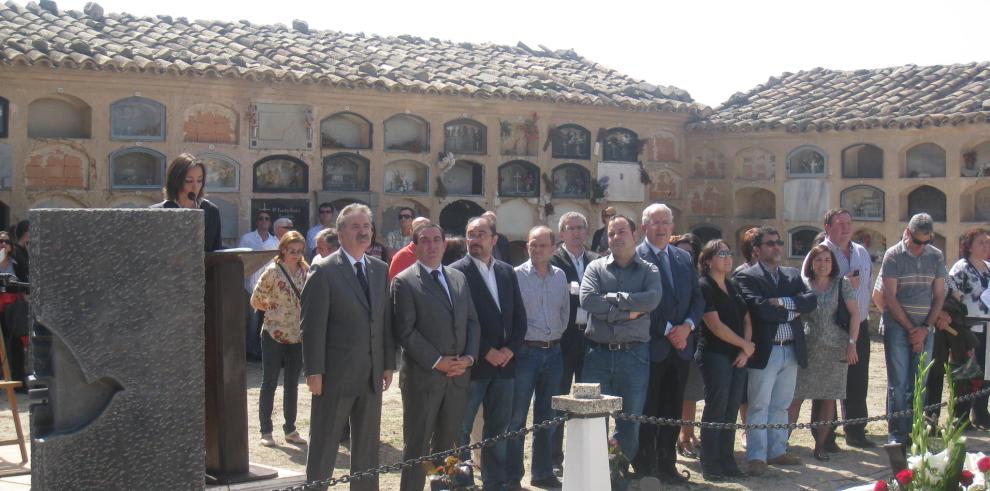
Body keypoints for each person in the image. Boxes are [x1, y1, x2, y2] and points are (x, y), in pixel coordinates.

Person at [300, 204, 395, 490]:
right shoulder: (324, 270)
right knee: (325, 444)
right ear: (339, 233)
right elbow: (312, 325)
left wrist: (388, 363)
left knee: (366, 447)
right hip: (335, 376)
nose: (363, 231)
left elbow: (384, 321)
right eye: (355, 226)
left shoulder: (380, 270)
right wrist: (314, 370)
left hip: (371, 375)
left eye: (367, 226)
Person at [393, 223, 480, 491]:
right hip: (424, 378)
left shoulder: (458, 278)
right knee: (417, 448)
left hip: (456, 378)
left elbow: (472, 322)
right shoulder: (405, 281)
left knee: (448, 444)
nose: (431, 246)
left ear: (444, 244)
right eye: (425, 240)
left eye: (436, 240)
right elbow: (405, 331)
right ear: (416, 246)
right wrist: (437, 361)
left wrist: (468, 358)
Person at [451, 216, 527, 490]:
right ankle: (461, 481)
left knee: (498, 429)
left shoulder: (508, 272)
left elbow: (520, 318)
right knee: (461, 428)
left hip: (505, 367)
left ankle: (494, 482)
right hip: (474, 365)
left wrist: (509, 350)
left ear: (494, 240)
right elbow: (458, 322)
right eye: (470, 234)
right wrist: (485, 351)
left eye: (481, 234)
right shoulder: (456, 272)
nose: (474, 240)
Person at [735, 226, 817, 476]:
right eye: (770, 243)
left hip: (790, 349)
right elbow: (760, 310)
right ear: (757, 250)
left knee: (781, 404)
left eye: (779, 242)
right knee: (759, 405)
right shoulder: (746, 277)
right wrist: (792, 309)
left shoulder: (792, 275)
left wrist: (781, 302)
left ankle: (777, 451)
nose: (776, 247)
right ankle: (757, 456)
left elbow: (810, 301)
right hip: (765, 351)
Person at [580, 215, 661, 465]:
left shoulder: (650, 270)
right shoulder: (595, 268)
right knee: (592, 419)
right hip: (597, 355)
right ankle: (594, 474)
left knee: (630, 421)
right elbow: (588, 300)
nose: (616, 237)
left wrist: (613, 298)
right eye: (611, 233)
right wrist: (627, 313)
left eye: (621, 231)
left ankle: (619, 471)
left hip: (633, 355)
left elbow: (651, 300)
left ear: (635, 234)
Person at [632, 204, 704, 484]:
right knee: (649, 409)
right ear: (644, 227)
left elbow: (697, 298)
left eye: (665, 222)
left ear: (672, 227)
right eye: (655, 222)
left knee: (673, 408)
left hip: (681, 346)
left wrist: (686, 327)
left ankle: (667, 464)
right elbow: (638, 301)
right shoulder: (636, 258)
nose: (661, 227)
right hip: (652, 346)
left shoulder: (683, 259)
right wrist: (667, 329)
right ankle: (646, 466)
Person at [805, 209, 876, 449]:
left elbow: (867, 286)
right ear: (827, 228)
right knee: (825, 383)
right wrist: (845, 281)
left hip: (859, 324)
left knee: (857, 380)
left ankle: (855, 430)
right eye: (839, 224)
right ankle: (825, 436)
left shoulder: (861, 252)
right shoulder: (819, 254)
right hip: (830, 328)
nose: (846, 228)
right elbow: (812, 287)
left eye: (849, 223)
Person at [507, 226, 569, 489]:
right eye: (533, 244)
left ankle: (543, 473)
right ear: (527, 247)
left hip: (553, 352)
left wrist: (554, 336)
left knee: (548, 417)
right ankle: (512, 476)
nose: (538, 249)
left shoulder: (560, 276)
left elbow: (565, 311)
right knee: (517, 417)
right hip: (525, 353)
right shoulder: (515, 276)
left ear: (553, 248)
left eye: (543, 245)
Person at [880, 213, 947, 446]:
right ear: (908, 233)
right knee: (899, 382)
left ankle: (915, 429)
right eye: (918, 242)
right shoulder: (893, 255)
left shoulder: (936, 256)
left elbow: (939, 295)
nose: (922, 247)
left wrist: (926, 328)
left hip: (925, 326)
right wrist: (912, 330)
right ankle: (898, 433)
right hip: (898, 326)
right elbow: (890, 296)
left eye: (927, 242)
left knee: (920, 380)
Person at [790, 244, 860, 461]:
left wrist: (852, 343)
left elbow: (855, 314)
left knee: (829, 398)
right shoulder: (802, 284)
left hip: (835, 348)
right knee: (796, 398)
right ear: (811, 262)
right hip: (807, 348)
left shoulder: (842, 284)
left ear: (833, 263)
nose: (823, 264)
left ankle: (820, 445)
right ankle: (781, 443)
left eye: (827, 260)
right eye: (818, 260)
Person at [696, 239, 753, 481]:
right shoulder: (704, 286)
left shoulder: (733, 285)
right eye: (721, 254)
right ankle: (710, 462)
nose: (728, 258)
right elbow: (715, 325)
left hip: (739, 355)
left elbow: (747, 318)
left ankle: (727, 460)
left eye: (729, 254)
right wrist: (744, 345)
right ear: (708, 260)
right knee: (716, 408)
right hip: (715, 354)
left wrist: (745, 350)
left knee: (731, 409)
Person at [549, 211, 598, 472]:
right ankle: (554, 458)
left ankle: (585, 456)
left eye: (581, 227)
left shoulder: (596, 260)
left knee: (587, 399)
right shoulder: (554, 260)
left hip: (590, 338)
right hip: (563, 338)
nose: (577, 232)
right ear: (562, 234)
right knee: (558, 400)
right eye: (571, 228)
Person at [251, 230, 309, 448]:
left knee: (293, 383)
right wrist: (274, 309)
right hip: (274, 333)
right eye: (291, 250)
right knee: (270, 381)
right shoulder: (273, 271)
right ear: (283, 250)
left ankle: (290, 428)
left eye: (299, 251)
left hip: (297, 334)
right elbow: (256, 298)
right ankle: (266, 430)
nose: (295, 254)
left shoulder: (305, 270)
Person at [949, 228, 990, 429]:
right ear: (970, 245)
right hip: (968, 328)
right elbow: (949, 289)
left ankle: (981, 413)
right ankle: (961, 416)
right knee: (966, 372)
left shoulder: (988, 267)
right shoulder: (961, 268)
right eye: (981, 242)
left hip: (988, 329)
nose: (986, 246)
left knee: (986, 373)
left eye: (987, 242)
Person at [669, 233, 705, 460]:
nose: (686, 256)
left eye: (690, 253)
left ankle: (687, 433)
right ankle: (676, 436)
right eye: (681, 251)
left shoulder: (698, 277)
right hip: (667, 339)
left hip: (693, 339)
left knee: (690, 392)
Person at [150, 153, 222, 252]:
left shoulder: (211, 211)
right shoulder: (158, 212)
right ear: (176, 181)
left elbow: (216, 251)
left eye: (199, 180)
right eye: (189, 181)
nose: (195, 187)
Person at [240, 211, 279, 360]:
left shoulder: (275, 241)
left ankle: (265, 351)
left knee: (267, 320)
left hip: (270, 288)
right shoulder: (247, 238)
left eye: (266, 219)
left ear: (270, 223)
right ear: (256, 222)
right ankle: (250, 350)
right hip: (251, 285)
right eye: (260, 218)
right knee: (253, 321)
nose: (263, 221)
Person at [0, 230, 26, 388]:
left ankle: (19, 381)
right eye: (0, 241)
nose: (3, 244)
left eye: (6, 242)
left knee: (16, 344)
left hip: (13, 307)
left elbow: (24, 283)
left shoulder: (17, 262)